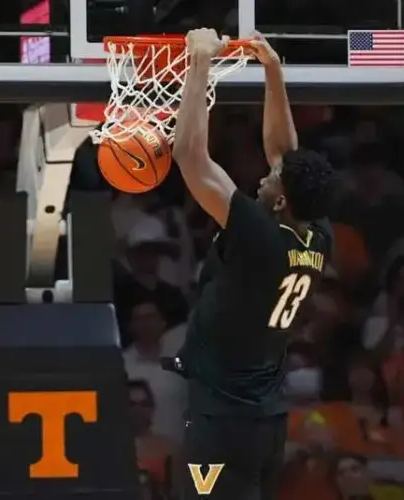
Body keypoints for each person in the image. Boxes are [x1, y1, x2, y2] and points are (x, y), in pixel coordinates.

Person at [170, 29, 335, 500]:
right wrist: (273, 71)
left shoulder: (259, 235)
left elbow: (190, 158)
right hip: (264, 416)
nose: (264, 175)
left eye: (271, 179)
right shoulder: (314, 231)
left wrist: (198, 62)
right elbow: (286, 153)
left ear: (280, 198)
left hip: (224, 421)